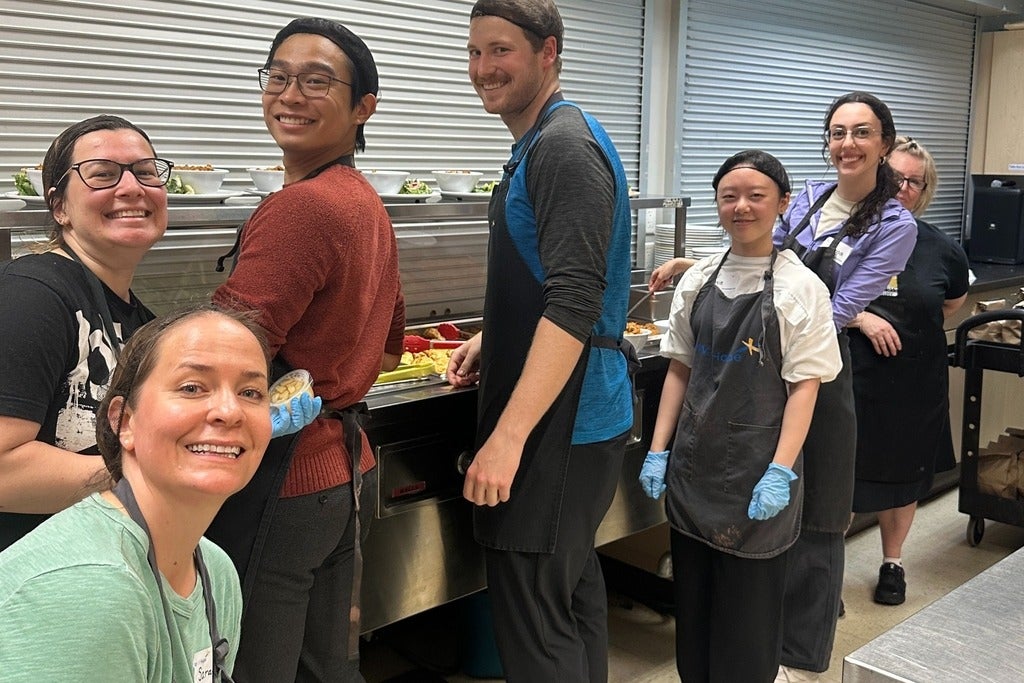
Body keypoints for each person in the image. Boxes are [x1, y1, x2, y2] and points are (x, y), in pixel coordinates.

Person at [204, 17, 405, 682]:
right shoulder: (365, 202)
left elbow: (222, 350)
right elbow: (391, 349)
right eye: (278, 76)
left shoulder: (304, 207)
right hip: (345, 470)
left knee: (255, 662)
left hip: (286, 477)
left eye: (316, 81)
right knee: (328, 664)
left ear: (362, 108)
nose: (289, 93)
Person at [447, 2, 634, 680]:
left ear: (548, 53)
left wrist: (508, 436)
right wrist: (491, 338)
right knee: (568, 596)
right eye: (473, 52)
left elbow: (577, 299)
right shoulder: (539, 141)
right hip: (569, 414)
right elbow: (549, 273)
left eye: (501, 51)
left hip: (563, 425)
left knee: (534, 618)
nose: (483, 69)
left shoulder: (563, 146)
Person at [639, 150, 841, 682]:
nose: (741, 207)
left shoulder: (801, 289)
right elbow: (679, 370)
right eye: (729, 196)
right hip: (694, 471)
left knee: (746, 631)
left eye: (756, 196)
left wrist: (780, 470)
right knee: (696, 618)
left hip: (758, 475)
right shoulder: (699, 279)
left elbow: (804, 388)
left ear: (783, 203)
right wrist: (658, 449)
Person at [0, 304, 273, 681]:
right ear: (124, 422)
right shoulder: (89, 590)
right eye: (192, 387)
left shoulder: (216, 573)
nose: (230, 410)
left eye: (251, 392)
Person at [772, 92, 917, 683]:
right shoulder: (805, 200)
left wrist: (766, 317)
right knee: (771, 506)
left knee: (820, 514)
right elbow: (762, 259)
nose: (847, 144)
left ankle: (801, 659)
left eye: (861, 132)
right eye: (837, 132)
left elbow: (839, 308)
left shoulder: (895, 224)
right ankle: (761, 634)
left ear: (884, 143)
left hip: (822, 373)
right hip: (767, 365)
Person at [0, 114, 168, 551]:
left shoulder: (141, 323)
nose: (132, 188)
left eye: (146, 172)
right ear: (59, 207)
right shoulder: (32, 296)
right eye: (102, 175)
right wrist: (149, 474)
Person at [848, 136, 968, 606]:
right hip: (851, 378)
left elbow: (951, 302)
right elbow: (810, 293)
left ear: (924, 190)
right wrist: (861, 316)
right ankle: (824, 571)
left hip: (915, 383)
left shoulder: (941, 247)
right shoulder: (844, 234)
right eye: (894, 177)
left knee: (904, 476)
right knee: (840, 478)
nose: (902, 188)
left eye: (914, 182)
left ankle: (892, 563)